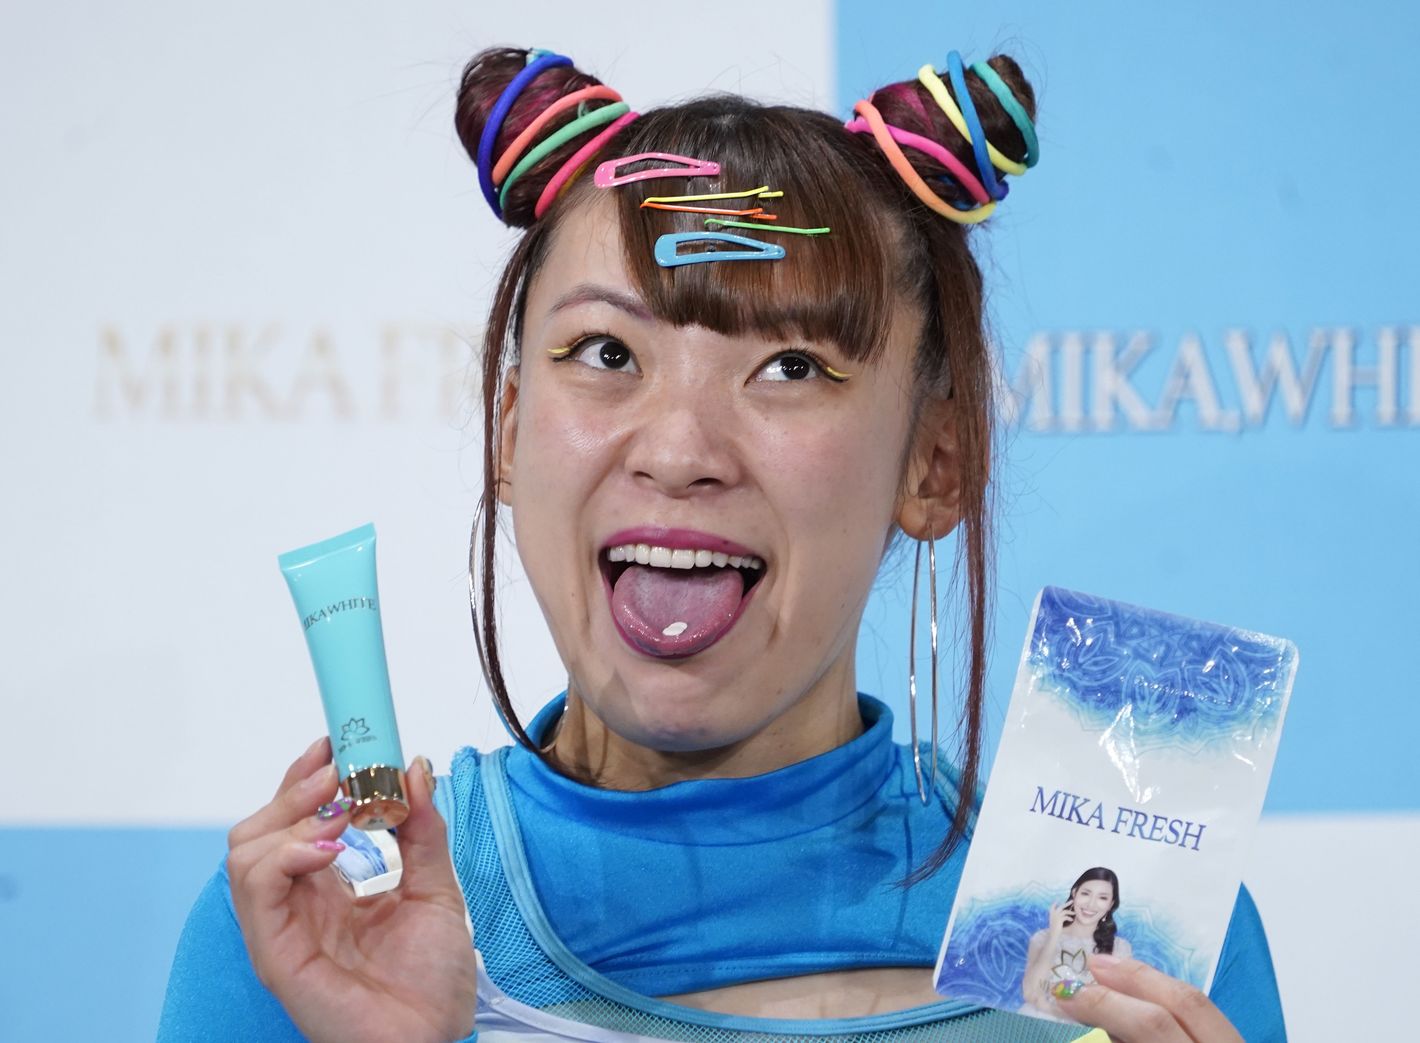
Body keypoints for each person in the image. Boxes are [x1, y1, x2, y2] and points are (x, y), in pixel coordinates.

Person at [158, 44, 1284, 1043]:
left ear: (936, 461)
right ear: (507, 428)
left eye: (791, 366)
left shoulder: (1138, 938)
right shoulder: (325, 921)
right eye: (606, 354)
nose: (679, 449)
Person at [1021, 867, 1134, 1021]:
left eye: (1102, 898)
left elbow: (1115, 1006)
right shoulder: (1042, 938)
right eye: (1086, 894)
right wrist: (1054, 935)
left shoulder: (1120, 948)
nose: (1091, 904)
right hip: (1039, 1020)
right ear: (1074, 893)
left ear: (1110, 904)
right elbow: (1031, 992)